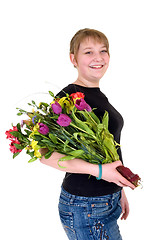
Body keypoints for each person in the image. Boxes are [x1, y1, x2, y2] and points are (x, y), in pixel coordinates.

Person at [40, 28, 135, 240]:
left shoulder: (96, 94)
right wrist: (100, 172)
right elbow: (46, 155)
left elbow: (110, 147)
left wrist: (118, 188)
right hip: (86, 205)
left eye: (103, 50)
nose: (98, 58)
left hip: (105, 199)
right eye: (88, 52)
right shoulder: (67, 98)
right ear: (73, 58)